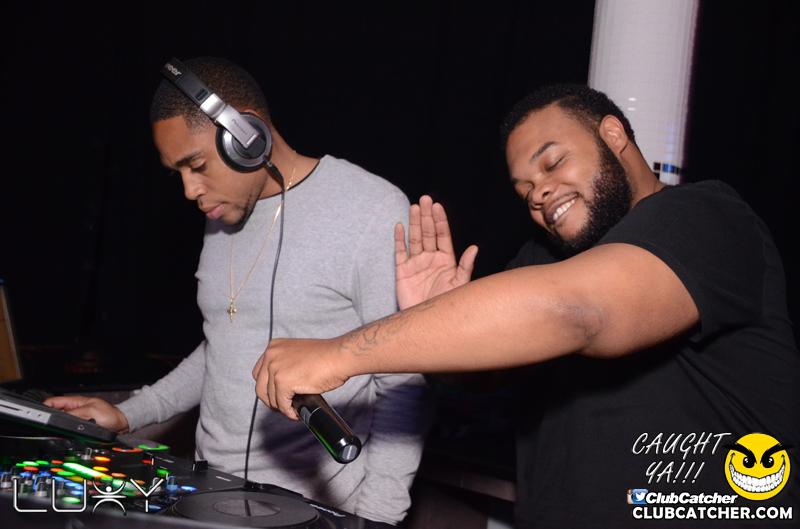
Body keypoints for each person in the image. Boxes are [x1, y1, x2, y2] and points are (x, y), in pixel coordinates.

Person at [253, 84, 800, 526]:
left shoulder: (705, 217)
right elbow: (485, 377)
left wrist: (341, 353)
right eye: (524, 189)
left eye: (553, 162)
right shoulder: (545, 256)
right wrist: (441, 318)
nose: (538, 192)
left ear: (613, 135)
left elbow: (579, 312)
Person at [44, 57, 430, 526]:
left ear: (246, 137)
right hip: (206, 499)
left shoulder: (369, 209)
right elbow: (223, 345)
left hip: (312, 513)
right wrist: (130, 414)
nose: (190, 190)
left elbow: (402, 384)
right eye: (177, 173)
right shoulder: (222, 213)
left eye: (197, 165)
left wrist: (376, 518)